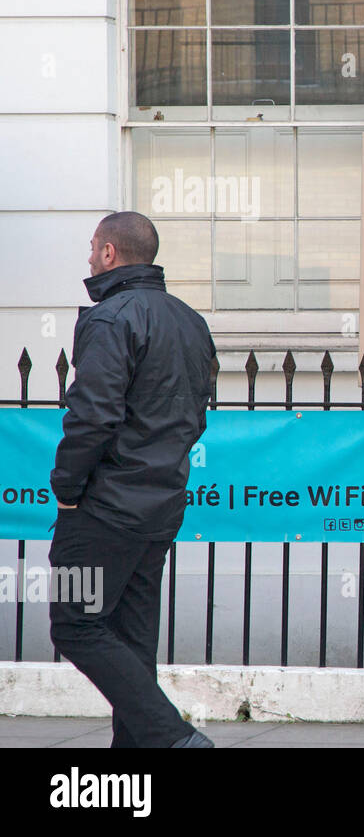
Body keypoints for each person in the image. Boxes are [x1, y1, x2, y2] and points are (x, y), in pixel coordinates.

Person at [48, 211, 216, 748]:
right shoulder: (190, 321)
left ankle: (173, 739)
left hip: (103, 509)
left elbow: (92, 415)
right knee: (133, 638)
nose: (88, 256)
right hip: (161, 507)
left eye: (92, 246)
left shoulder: (108, 318)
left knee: (75, 624)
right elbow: (196, 416)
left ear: (109, 253)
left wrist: (69, 489)